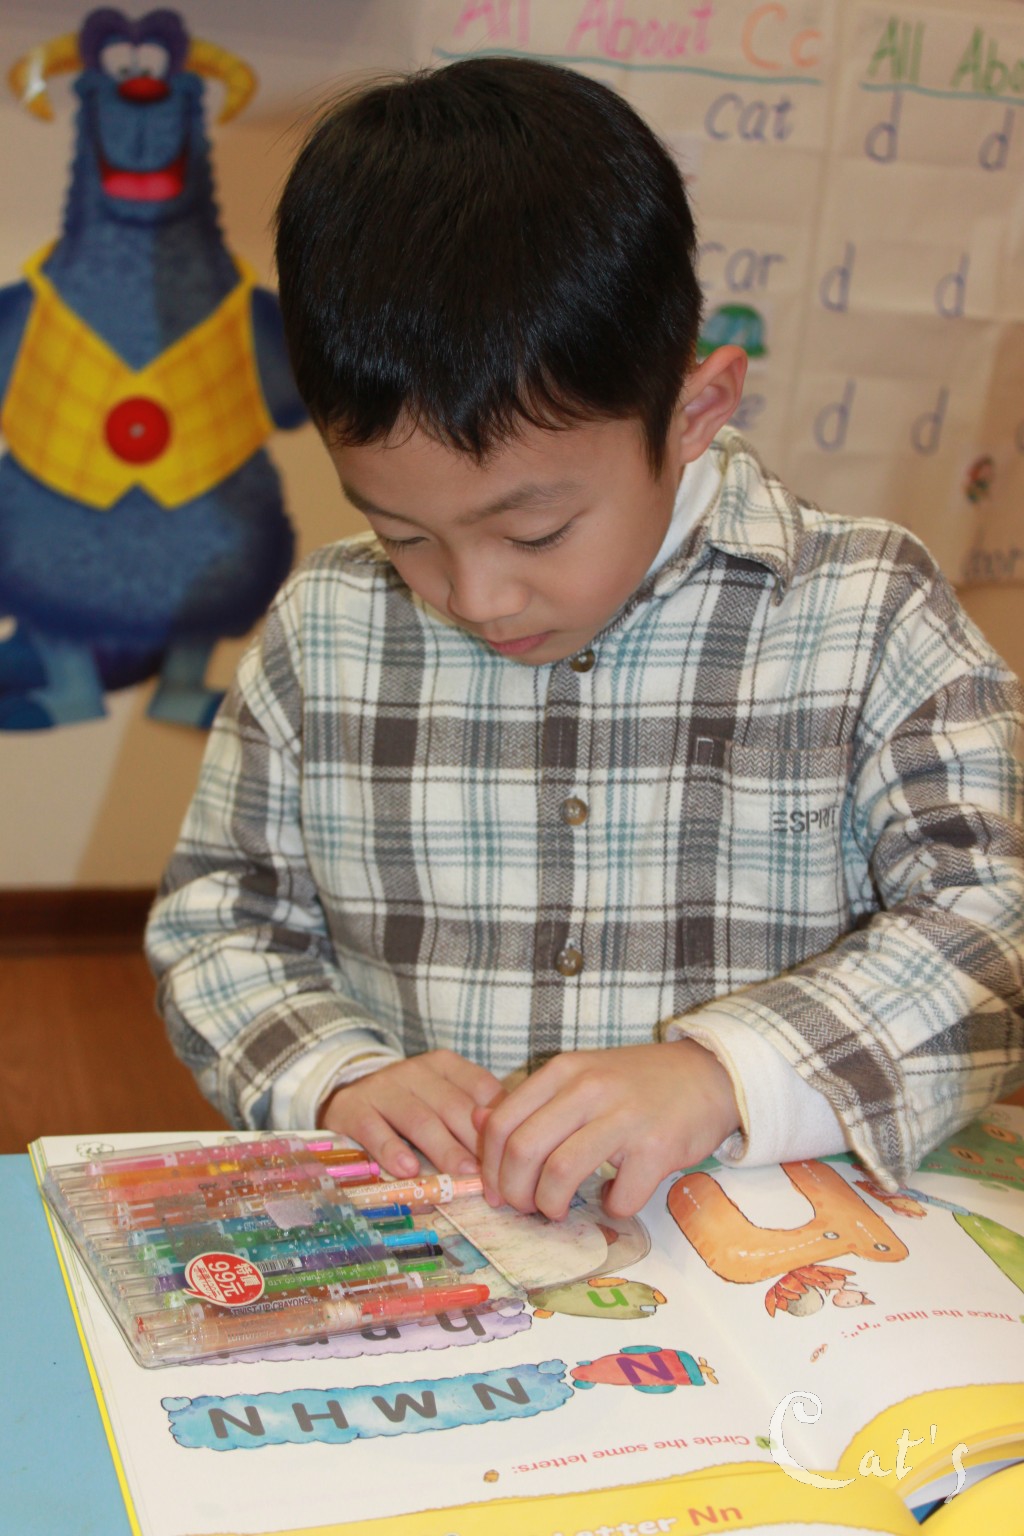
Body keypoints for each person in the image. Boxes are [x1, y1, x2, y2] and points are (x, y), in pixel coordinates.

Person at [145, 57, 1024, 1221]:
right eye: (404, 532)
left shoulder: (867, 612)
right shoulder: (326, 630)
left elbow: (992, 914)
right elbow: (218, 920)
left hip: (766, 1246)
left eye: (538, 530)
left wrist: (726, 1071)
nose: (476, 595)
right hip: (449, 1246)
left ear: (695, 409)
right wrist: (336, 1075)